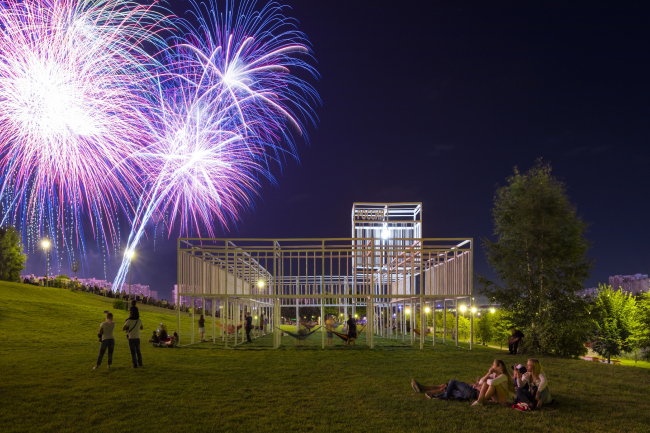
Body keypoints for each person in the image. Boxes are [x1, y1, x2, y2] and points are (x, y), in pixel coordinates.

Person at [411, 378, 479, 401]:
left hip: (471, 392)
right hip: (470, 392)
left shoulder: (488, 383)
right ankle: (422, 388)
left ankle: (422, 389)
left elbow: (480, 389)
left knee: (452, 383)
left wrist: (477, 385)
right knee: (445, 386)